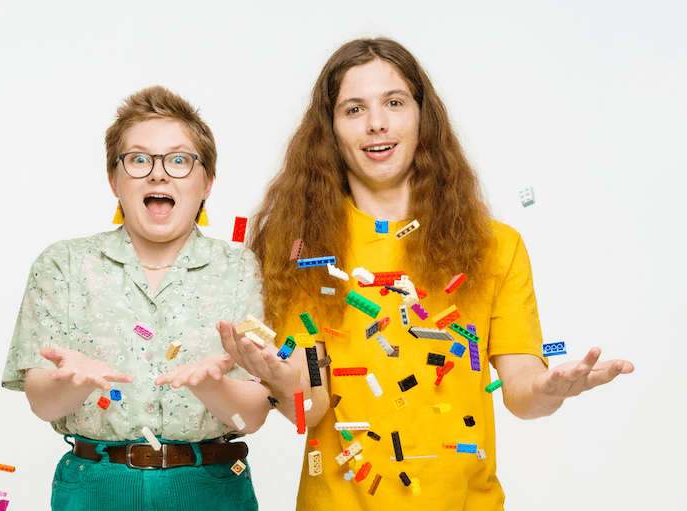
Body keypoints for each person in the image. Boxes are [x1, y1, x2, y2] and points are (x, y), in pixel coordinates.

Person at [220, 38, 634, 510]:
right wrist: (279, 379)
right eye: (354, 109)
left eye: (394, 103)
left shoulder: (496, 246)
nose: (377, 122)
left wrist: (548, 390)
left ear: (422, 116)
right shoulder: (300, 249)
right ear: (330, 130)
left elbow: (522, 388)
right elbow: (311, 405)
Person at [1, 86, 270, 511]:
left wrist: (214, 388)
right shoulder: (63, 265)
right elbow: (40, 402)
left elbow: (252, 416)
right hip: (94, 489)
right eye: (139, 159)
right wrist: (74, 383)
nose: (158, 174)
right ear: (114, 179)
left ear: (208, 184)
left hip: (212, 489)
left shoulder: (239, 268)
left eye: (179, 160)